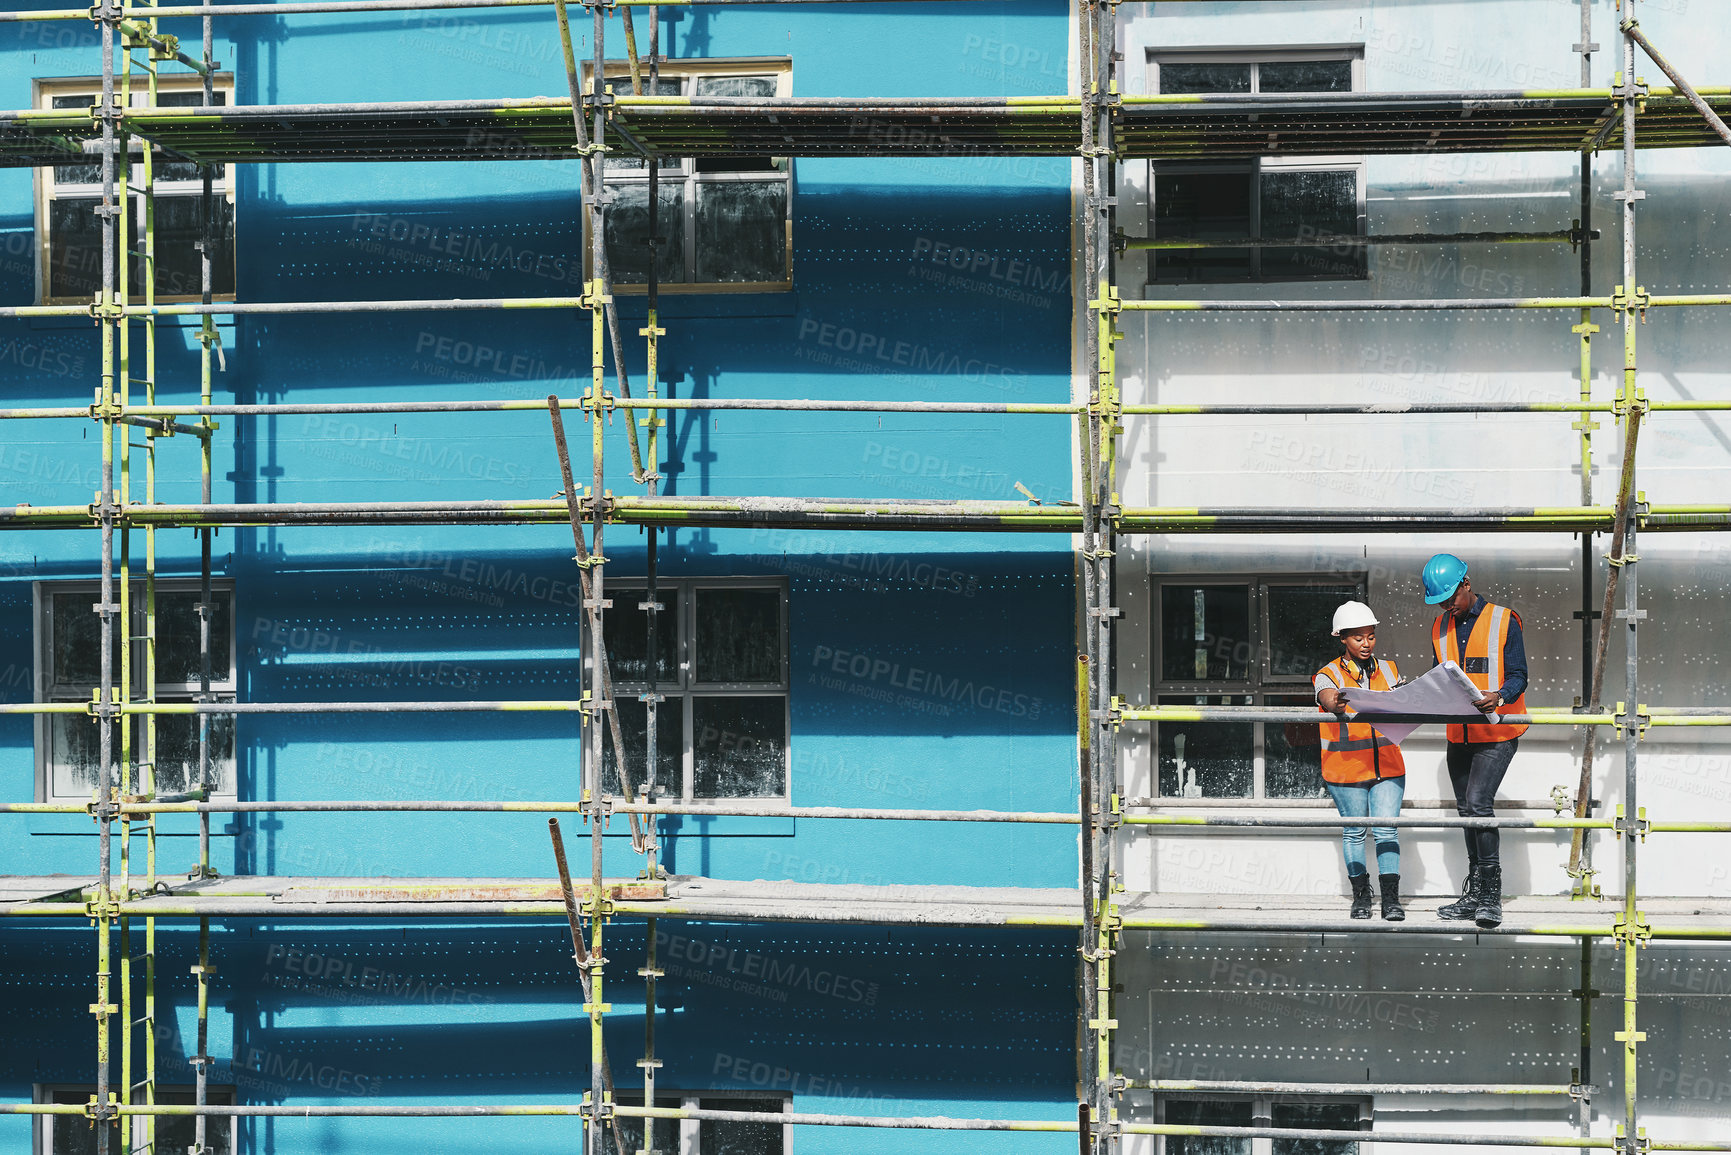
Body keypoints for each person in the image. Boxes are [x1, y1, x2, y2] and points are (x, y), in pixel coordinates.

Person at [1422, 553, 1528, 929]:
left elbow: (1519, 675)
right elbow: (1441, 676)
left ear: (1467, 584)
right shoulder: (1438, 627)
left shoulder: (1504, 620)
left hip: (1497, 731)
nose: (1447, 607)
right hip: (1459, 733)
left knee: (1479, 803)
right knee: (1466, 811)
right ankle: (1474, 894)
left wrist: (1499, 695)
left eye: (1451, 599)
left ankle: (1490, 898)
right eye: (1441, 602)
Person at [1314, 600, 1406, 921]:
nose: (1366, 644)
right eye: (1358, 638)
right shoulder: (1328, 674)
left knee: (1386, 831)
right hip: (1346, 768)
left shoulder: (1391, 670)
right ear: (1342, 638)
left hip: (1388, 765)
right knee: (1354, 832)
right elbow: (1325, 696)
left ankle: (1391, 900)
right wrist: (1336, 702)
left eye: (1370, 636)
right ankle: (1361, 898)